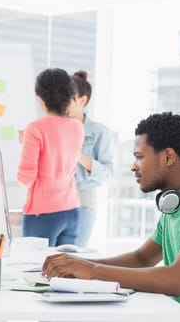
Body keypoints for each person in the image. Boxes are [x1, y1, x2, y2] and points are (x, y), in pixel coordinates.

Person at [43, 112, 180, 322]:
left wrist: (92, 270)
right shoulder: (176, 206)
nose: (133, 166)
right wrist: (76, 265)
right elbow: (142, 258)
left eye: (139, 156)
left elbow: (175, 280)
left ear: (168, 157)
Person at [17, 68, 84, 246]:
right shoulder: (77, 127)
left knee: (36, 271)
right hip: (71, 211)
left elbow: (26, 178)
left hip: (42, 214)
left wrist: (25, 145)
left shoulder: (35, 128)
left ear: (40, 98)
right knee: (65, 272)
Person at [67, 70, 113, 247]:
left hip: (82, 200)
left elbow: (108, 173)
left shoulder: (98, 131)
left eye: (67, 98)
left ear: (82, 100)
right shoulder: (54, 127)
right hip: (54, 199)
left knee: (73, 257)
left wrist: (77, 156)